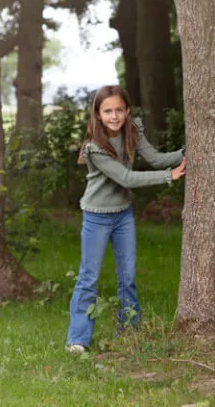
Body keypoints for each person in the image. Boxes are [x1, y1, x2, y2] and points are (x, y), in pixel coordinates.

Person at [66, 85, 186, 353]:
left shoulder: (132, 130)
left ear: (128, 111)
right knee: (88, 276)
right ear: (98, 114)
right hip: (96, 217)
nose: (114, 116)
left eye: (119, 109)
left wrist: (186, 153)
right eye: (108, 111)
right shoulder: (94, 148)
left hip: (123, 215)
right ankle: (78, 339)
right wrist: (170, 176)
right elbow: (126, 178)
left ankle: (130, 330)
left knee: (127, 276)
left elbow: (155, 159)